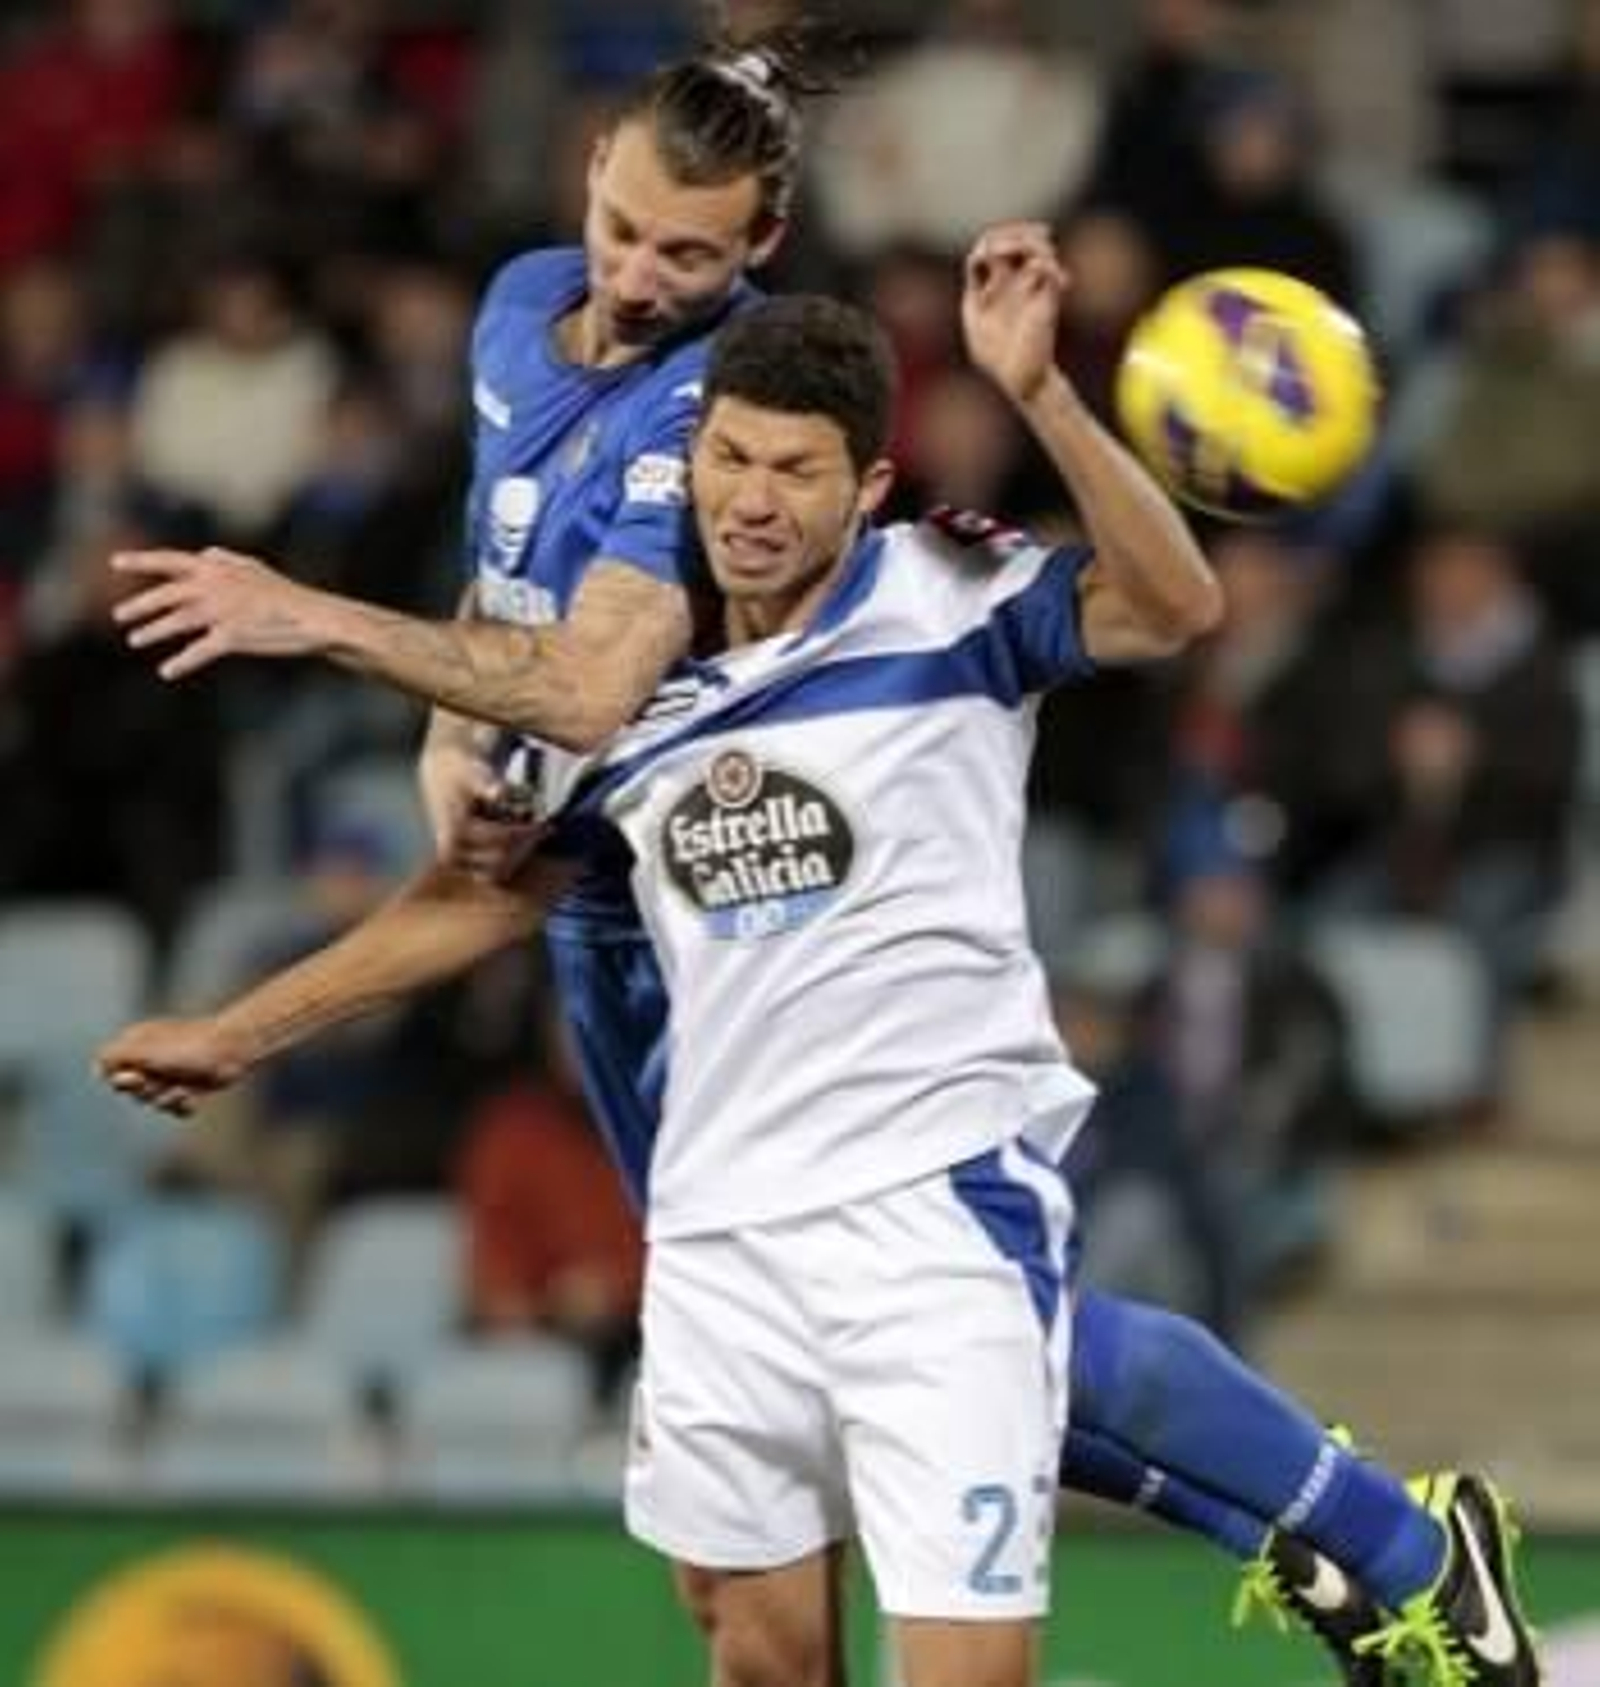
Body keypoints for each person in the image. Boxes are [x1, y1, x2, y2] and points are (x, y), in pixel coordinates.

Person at [103, 250, 1542, 1687]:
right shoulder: (626, 690)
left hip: (930, 1207)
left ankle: (1395, 1550)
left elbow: (1172, 608)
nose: (752, 500)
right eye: (729, 459)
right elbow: (477, 902)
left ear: (868, 488)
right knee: (760, 1659)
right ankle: (1379, 1544)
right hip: (719, 1234)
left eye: (796, 472)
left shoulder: (948, 599)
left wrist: (1038, 391)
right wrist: (238, 1032)